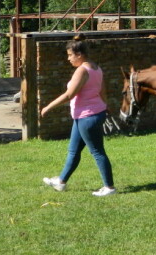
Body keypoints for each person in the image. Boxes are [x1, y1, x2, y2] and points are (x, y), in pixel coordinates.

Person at [41, 35, 116, 197]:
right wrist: (106, 105)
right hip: (89, 115)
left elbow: (69, 95)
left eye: (70, 55)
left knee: (97, 152)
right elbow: (102, 90)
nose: (68, 59)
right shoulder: (96, 67)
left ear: (79, 54)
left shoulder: (82, 71)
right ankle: (60, 182)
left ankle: (109, 187)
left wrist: (48, 107)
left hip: (88, 117)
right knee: (73, 151)